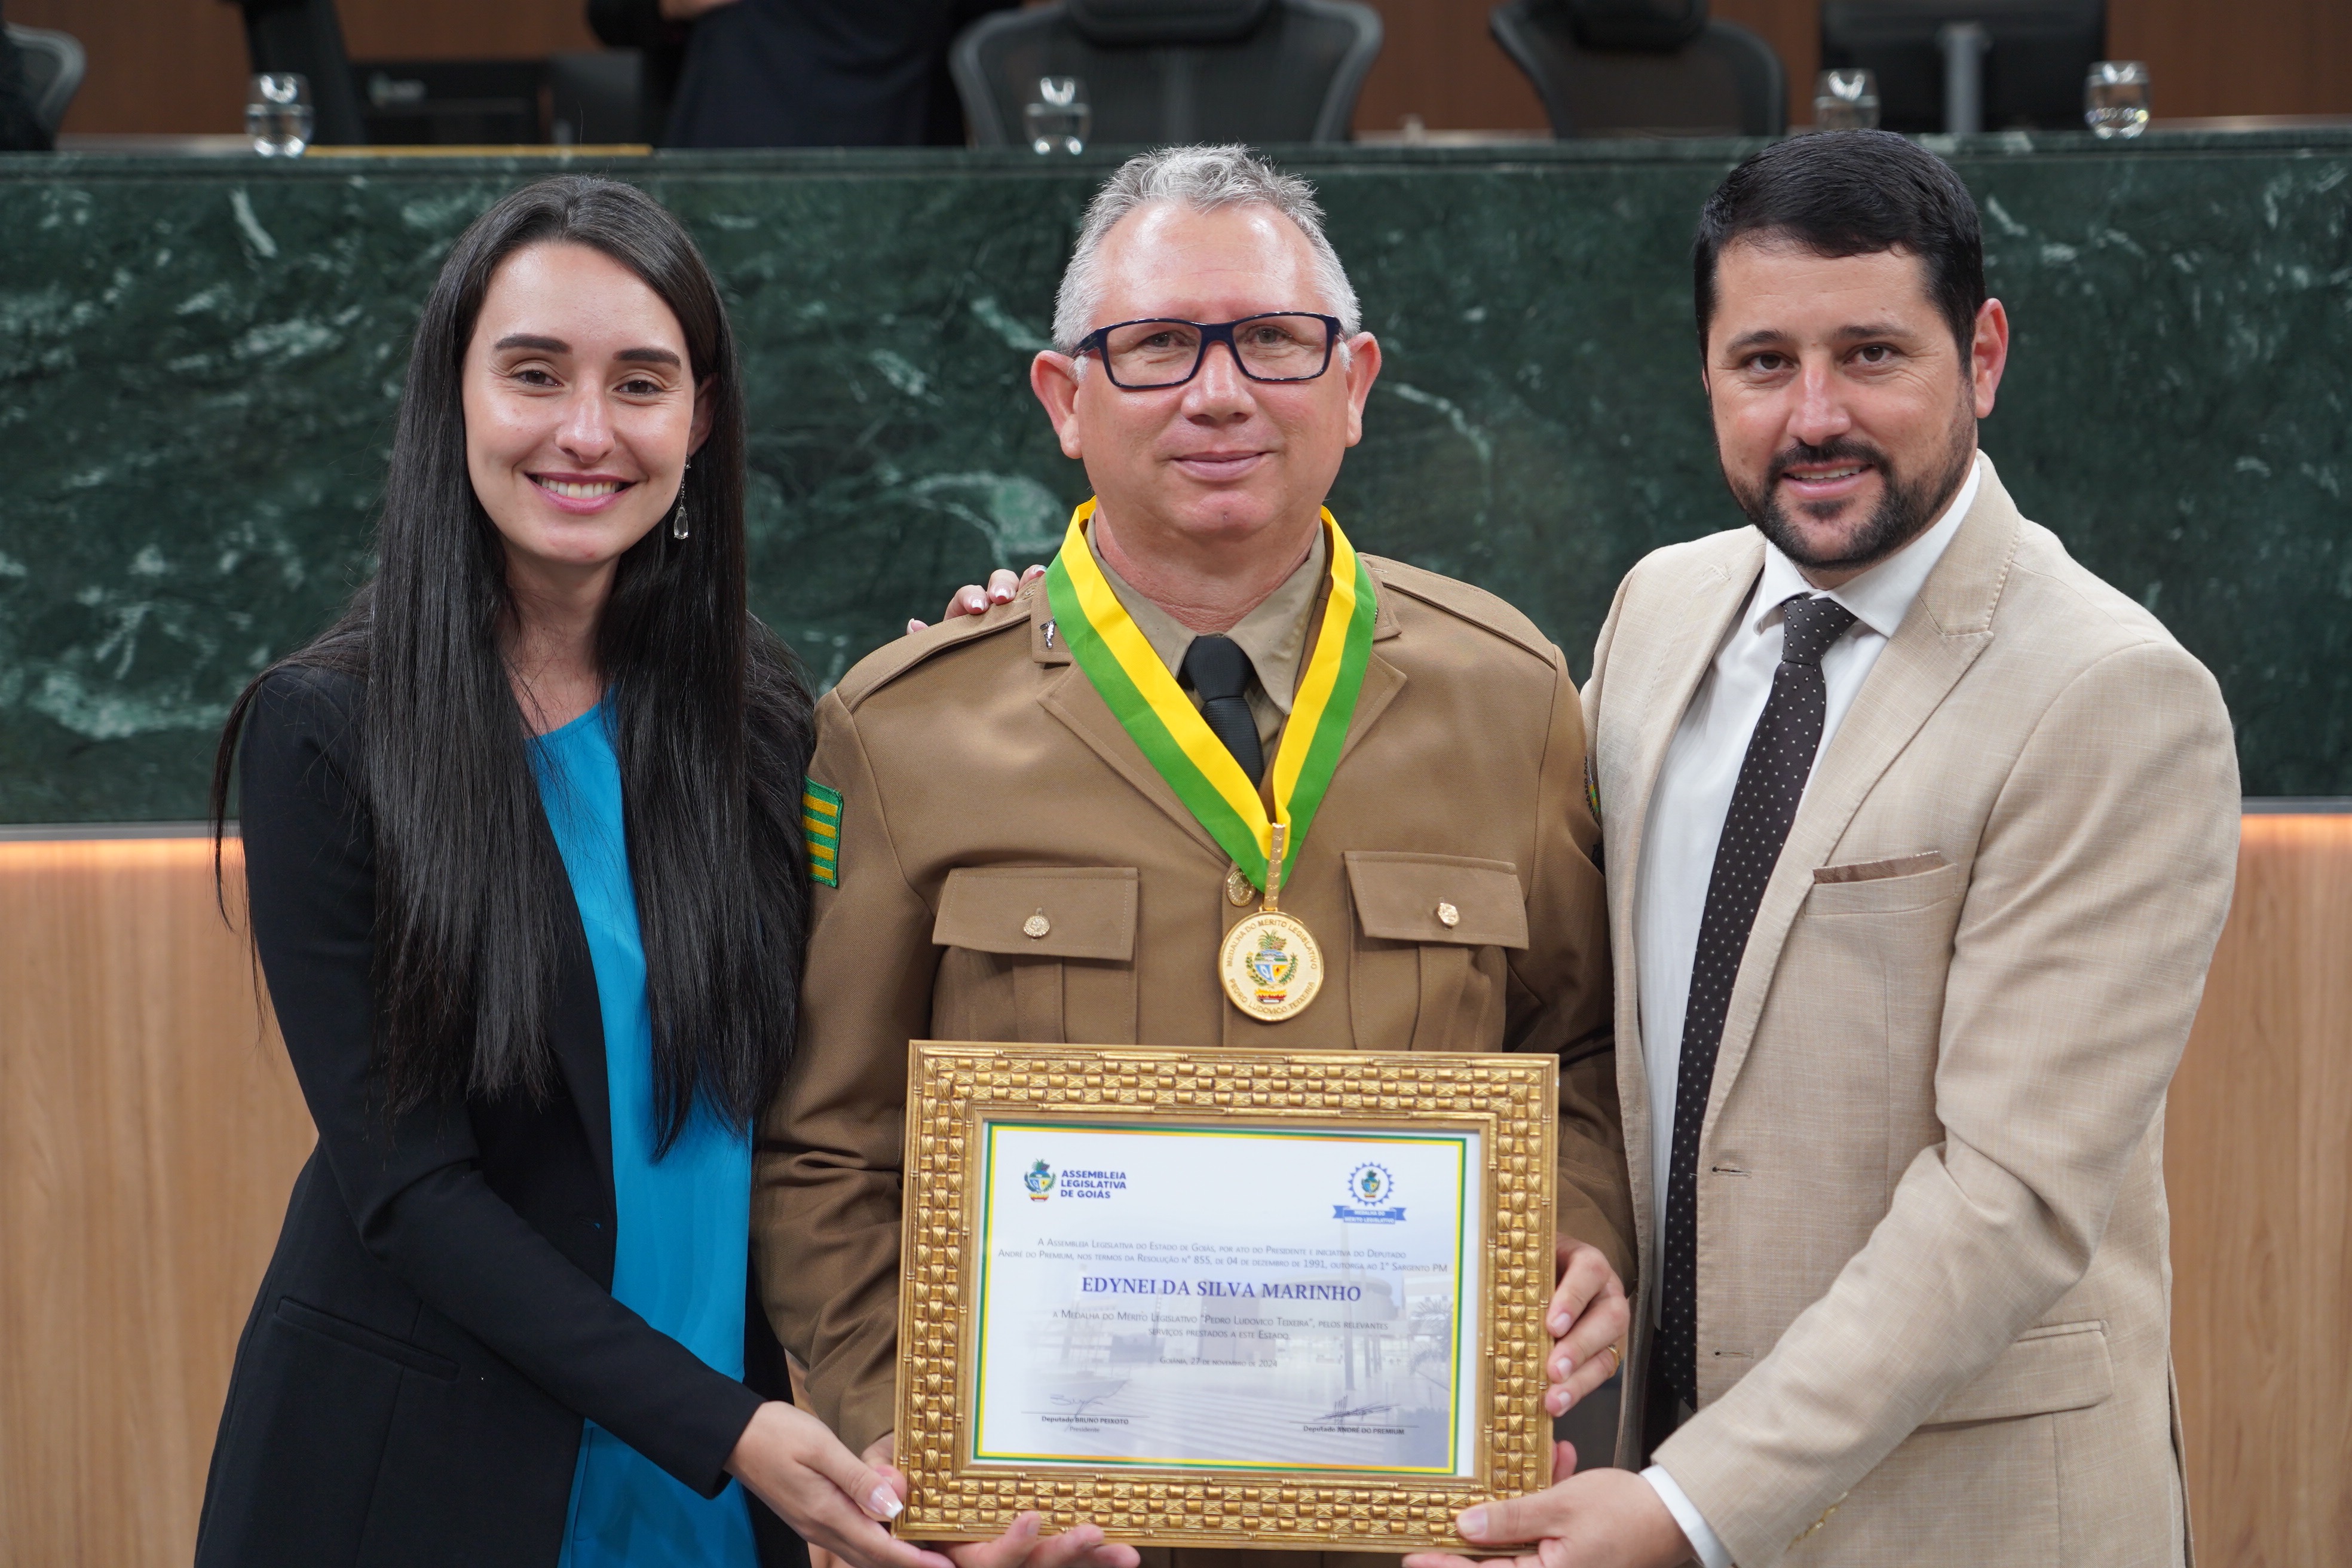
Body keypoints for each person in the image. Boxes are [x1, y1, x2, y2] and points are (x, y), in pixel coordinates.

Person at [754, 143, 1638, 1568]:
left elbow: (1583, 1048)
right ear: (1066, 398)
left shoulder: (1512, 697)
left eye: (1275, 341)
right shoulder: (903, 731)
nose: (1219, 393)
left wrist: (1584, 1232)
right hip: (1058, 1534)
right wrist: (918, 1459)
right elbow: (827, 1148)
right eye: (1157, 345)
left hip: (1412, 1533)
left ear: (1355, 383)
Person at [1406, 131, 2238, 1568]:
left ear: (1982, 356)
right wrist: (1063, 629)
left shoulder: (2112, 693)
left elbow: (2008, 1199)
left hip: (1962, 1522)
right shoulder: (1660, 612)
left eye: (1871, 355)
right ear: (1707, 374)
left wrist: (1686, 1506)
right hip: (1642, 1465)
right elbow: (1551, 975)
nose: (1815, 416)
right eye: (1764, 362)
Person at [196, 176, 957, 1568]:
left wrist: (973, 679)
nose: (588, 432)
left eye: (641, 383)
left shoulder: (760, 716)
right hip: (430, 1476)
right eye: (535, 374)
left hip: (720, 1483)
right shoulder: (326, 732)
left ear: (700, 420)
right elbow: (412, 1194)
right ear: (454, 395)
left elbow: (852, 1057)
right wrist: (727, 1427)